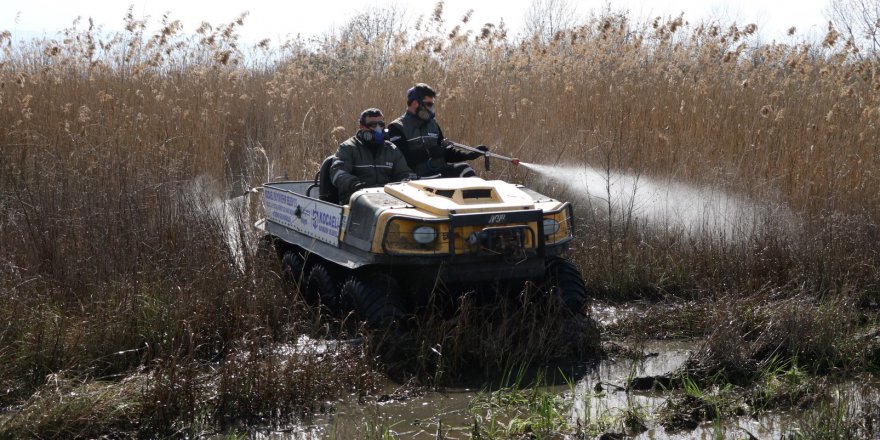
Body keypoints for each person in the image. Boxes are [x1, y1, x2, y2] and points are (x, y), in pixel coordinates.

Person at [387, 83, 489, 178]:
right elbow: (401, 159)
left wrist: (470, 154)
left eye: (432, 104)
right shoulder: (397, 127)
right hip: (416, 178)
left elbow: (446, 153)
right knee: (464, 170)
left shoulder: (433, 124)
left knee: (465, 169)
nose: (431, 108)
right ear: (415, 103)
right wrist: (429, 152)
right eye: (428, 104)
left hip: (438, 172)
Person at [331, 108, 414, 204]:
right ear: (361, 126)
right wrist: (354, 184)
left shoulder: (391, 149)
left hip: (387, 200)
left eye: (381, 124)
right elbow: (338, 173)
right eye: (373, 125)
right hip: (356, 200)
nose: (378, 128)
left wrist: (407, 181)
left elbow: (404, 172)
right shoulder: (348, 148)